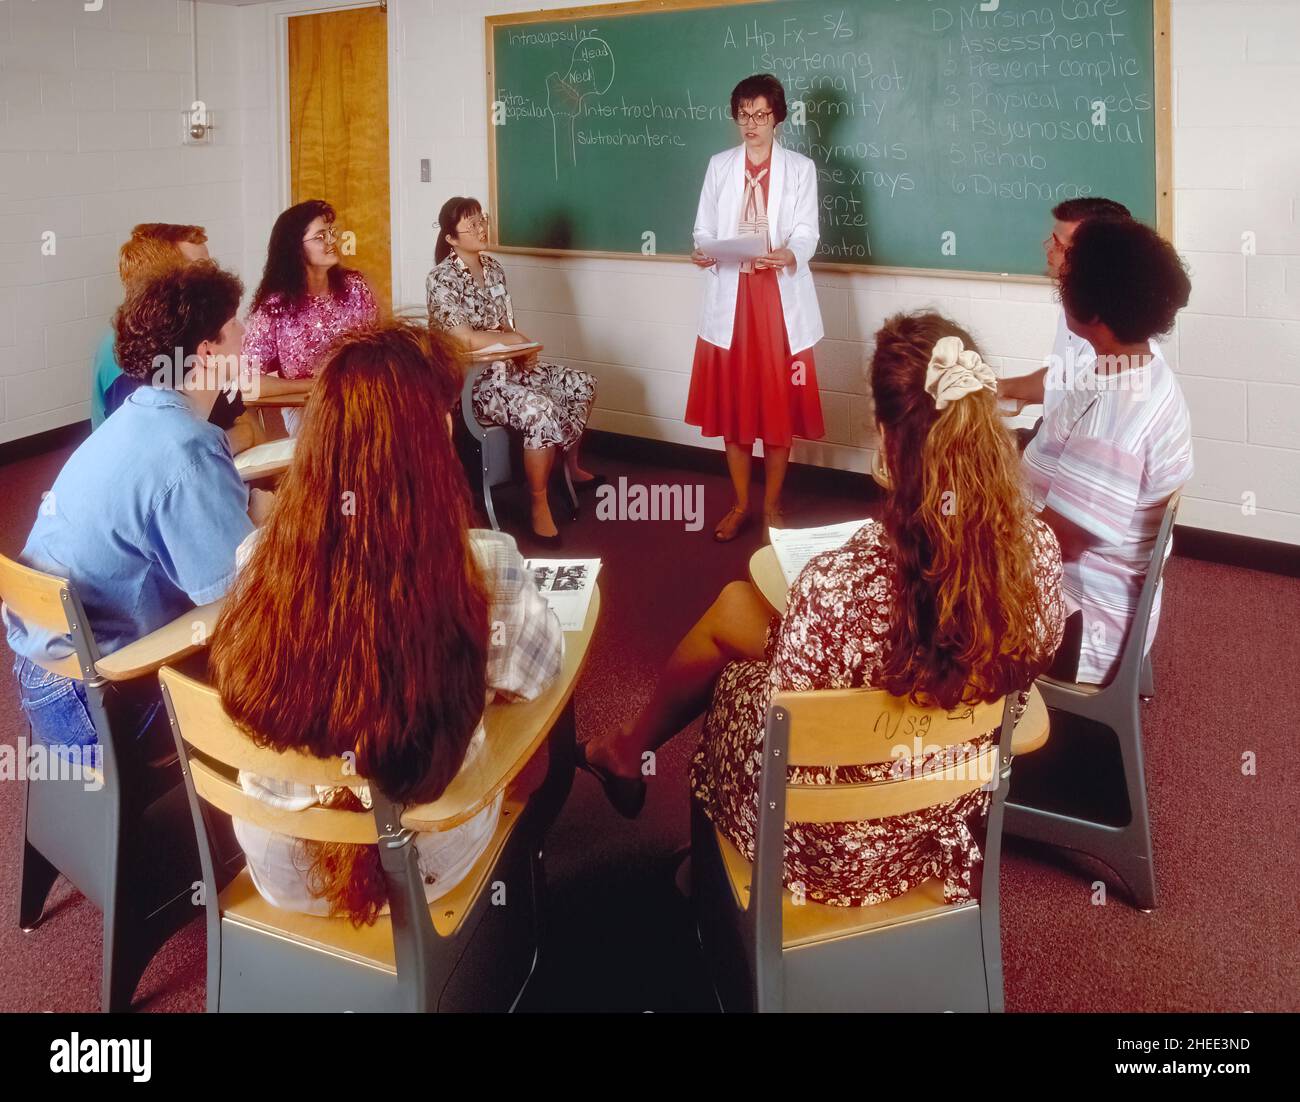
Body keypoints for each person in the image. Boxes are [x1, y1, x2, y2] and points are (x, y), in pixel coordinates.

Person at [581, 312, 1064, 906]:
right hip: (943, 825)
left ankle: (703, 860)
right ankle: (632, 755)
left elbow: (793, 710)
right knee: (739, 610)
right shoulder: (1037, 554)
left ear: (886, 437)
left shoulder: (836, 583)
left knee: (736, 683)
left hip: (819, 852)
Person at [210, 321, 564, 924]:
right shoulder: (485, 565)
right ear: (436, 435)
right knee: (529, 745)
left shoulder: (255, 559)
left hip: (279, 868)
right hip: (425, 867)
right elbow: (539, 673)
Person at [5, 262, 270, 757]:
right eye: (236, 322)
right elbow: (241, 602)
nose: (246, 331)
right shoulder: (189, 448)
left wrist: (252, 506)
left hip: (44, 680)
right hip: (100, 708)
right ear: (209, 352)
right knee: (294, 650)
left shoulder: (141, 414)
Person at [1022, 218, 1193, 685]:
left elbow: (1051, 547)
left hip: (1079, 624)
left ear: (1093, 310)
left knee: (914, 590)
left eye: (1069, 269)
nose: (1060, 276)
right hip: (1108, 596)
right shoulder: (1136, 365)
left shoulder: (1113, 425)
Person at [686, 73, 825, 541]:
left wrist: (790, 252)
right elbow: (703, 229)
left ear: (777, 117)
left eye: (761, 115)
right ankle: (742, 503)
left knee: (778, 404)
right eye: (744, 115)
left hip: (777, 298)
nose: (751, 124)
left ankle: (772, 506)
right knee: (734, 405)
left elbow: (807, 231)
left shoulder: (800, 169)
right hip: (732, 297)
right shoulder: (720, 165)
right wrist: (703, 250)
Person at [427, 195, 600, 545]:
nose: (480, 228)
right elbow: (464, 340)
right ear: (451, 238)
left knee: (582, 384)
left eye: (481, 219)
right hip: (476, 382)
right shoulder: (440, 278)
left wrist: (524, 349)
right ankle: (538, 503)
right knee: (540, 411)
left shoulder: (493, 268)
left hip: (510, 368)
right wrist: (510, 341)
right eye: (470, 224)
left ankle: (570, 464)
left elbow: (506, 327)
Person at [91, 223, 259, 451]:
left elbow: (243, 421)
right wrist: (226, 443)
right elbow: (159, 453)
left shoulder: (200, 336)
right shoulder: (131, 351)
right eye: (199, 268)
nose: (212, 276)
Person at [243, 199, 378, 434]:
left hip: (362, 399)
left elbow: (379, 349)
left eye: (331, 233)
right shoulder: (275, 306)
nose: (332, 241)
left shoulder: (356, 287)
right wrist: (316, 385)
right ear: (296, 248)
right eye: (320, 237)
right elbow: (248, 383)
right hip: (309, 408)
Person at [998, 197, 1133, 426]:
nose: (1048, 249)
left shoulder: (1114, 347)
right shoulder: (1078, 308)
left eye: (1059, 244)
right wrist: (1000, 387)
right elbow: (1063, 378)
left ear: (1094, 259)